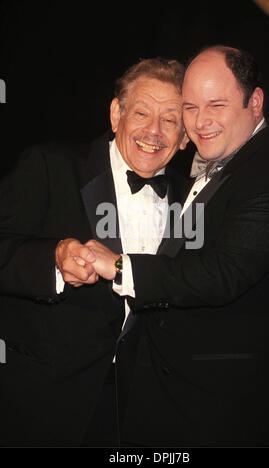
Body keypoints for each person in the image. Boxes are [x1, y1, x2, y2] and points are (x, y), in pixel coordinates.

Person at [88, 45, 269, 446]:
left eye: (216, 105)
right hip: (165, 402)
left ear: (255, 102)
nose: (200, 122)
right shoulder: (218, 162)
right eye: (189, 108)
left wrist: (120, 267)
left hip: (221, 415)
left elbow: (221, 274)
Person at [0, 57, 189, 446]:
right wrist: (53, 257)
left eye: (170, 120)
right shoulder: (50, 165)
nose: (154, 131)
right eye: (141, 112)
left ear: (185, 135)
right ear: (116, 113)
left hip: (135, 412)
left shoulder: (194, 200)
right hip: (41, 402)